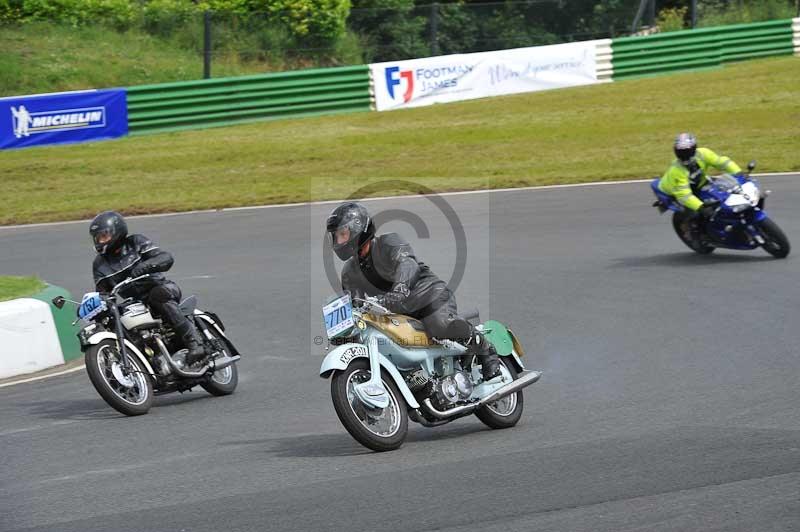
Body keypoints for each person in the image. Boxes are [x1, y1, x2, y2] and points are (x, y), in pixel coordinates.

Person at [326, 202, 501, 381]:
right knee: (383, 343)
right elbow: (355, 304)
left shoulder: (387, 242)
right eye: (336, 237)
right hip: (396, 312)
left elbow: (407, 263)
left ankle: (485, 348)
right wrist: (344, 328)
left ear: (358, 229)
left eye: (342, 234)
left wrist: (400, 288)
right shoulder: (349, 272)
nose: (338, 241)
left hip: (428, 295)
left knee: (440, 326)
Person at [89, 211, 208, 365]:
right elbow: (102, 292)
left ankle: (194, 343)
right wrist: (100, 304)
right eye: (97, 238)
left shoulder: (136, 242)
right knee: (115, 315)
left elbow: (165, 258)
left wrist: (145, 266)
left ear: (116, 232)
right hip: (137, 303)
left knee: (157, 295)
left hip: (162, 287)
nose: (100, 241)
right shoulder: (99, 264)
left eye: (104, 236)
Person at [658, 133, 743, 227]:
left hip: (699, 183)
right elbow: (684, 196)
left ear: (694, 148)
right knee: (699, 215)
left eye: (687, 151)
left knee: (723, 194)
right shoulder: (677, 171)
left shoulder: (703, 153)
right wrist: (701, 207)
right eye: (681, 152)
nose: (684, 155)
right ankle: (699, 234)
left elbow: (722, 162)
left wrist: (738, 173)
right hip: (675, 192)